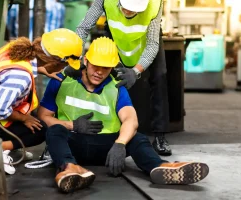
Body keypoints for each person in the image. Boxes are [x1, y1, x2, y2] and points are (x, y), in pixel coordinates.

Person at [38, 37, 209, 193]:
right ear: (85, 61)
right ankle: (69, 169)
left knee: (138, 138)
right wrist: (72, 125)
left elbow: (130, 119)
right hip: (73, 143)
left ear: (112, 67)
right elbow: (44, 116)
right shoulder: (60, 81)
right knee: (55, 131)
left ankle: (161, 167)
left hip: (108, 148)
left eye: (105, 67)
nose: (99, 71)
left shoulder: (116, 87)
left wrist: (120, 144)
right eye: (95, 65)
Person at [0, 28, 83, 175]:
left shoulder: (15, 48)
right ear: (55, 61)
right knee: (40, 130)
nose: (64, 68)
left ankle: (4, 145)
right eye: (65, 64)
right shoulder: (20, 76)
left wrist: (42, 69)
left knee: (33, 122)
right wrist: (24, 118)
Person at [71, 0, 172, 156]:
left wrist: (135, 71)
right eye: (126, 8)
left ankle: (160, 137)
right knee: (107, 77)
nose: (129, 12)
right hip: (115, 34)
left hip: (145, 39)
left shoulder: (154, 4)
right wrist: (76, 58)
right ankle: (107, 130)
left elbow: (152, 44)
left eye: (134, 10)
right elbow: (84, 27)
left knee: (159, 77)